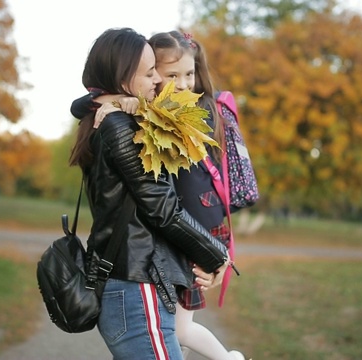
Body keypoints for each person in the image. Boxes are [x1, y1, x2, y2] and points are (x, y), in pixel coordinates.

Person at [71, 30, 245, 360]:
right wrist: (218, 255)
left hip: (138, 278)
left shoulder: (120, 118)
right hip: (136, 284)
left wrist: (114, 101)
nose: (160, 82)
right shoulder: (121, 126)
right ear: (123, 76)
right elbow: (163, 208)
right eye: (152, 73)